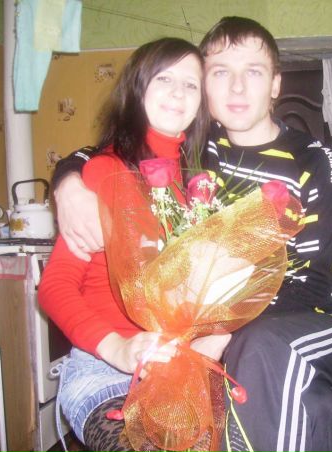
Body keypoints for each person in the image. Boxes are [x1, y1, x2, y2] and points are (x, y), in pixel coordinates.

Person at [52, 17, 332, 452]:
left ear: (275, 84)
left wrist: (225, 332)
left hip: (297, 324)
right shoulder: (196, 151)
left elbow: (320, 284)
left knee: (268, 354)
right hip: (166, 352)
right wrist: (68, 181)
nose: (237, 88)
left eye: (253, 71)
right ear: (206, 92)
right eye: (220, 73)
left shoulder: (314, 161)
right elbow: (119, 151)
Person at [38, 37, 232, 452]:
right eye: (164, 79)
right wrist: (118, 348)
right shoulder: (102, 173)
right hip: (106, 371)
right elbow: (54, 287)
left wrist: (220, 331)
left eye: (190, 84)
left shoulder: (198, 187)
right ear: (138, 87)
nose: (178, 92)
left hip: (181, 371)